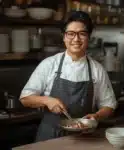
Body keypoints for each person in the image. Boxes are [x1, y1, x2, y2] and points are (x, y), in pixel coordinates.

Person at [20, 11, 117, 142]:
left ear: (89, 37)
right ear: (64, 37)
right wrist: (47, 101)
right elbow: (25, 98)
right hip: (50, 138)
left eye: (82, 34)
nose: (76, 39)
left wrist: (97, 116)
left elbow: (109, 105)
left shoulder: (97, 69)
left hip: (83, 138)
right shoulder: (49, 64)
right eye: (71, 34)